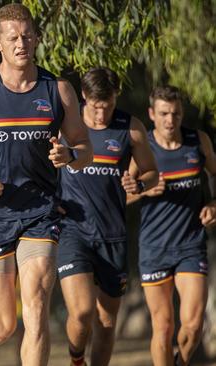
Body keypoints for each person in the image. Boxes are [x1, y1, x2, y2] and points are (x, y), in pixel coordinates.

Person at [0, 4, 93, 366]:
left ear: (37, 37)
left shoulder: (58, 90)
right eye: (13, 38)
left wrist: (70, 156)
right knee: (0, 328)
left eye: (27, 36)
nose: (21, 43)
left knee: (38, 306)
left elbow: (85, 147)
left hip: (39, 213)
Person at [56, 67, 158, 366]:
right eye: (96, 107)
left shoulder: (130, 127)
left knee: (106, 320)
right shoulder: (65, 128)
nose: (102, 115)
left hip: (112, 233)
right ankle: (76, 360)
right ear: (84, 97)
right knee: (83, 311)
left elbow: (152, 172)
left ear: (116, 98)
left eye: (109, 106)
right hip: (72, 231)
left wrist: (139, 184)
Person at [127, 86, 216, 366]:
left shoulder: (197, 141)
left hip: (191, 244)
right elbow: (122, 195)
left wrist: (213, 203)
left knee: (192, 326)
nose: (170, 120)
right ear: (152, 114)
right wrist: (144, 190)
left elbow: (215, 173)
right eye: (164, 113)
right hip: (154, 248)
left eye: (176, 114)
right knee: (163, 327)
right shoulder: (144, 149)